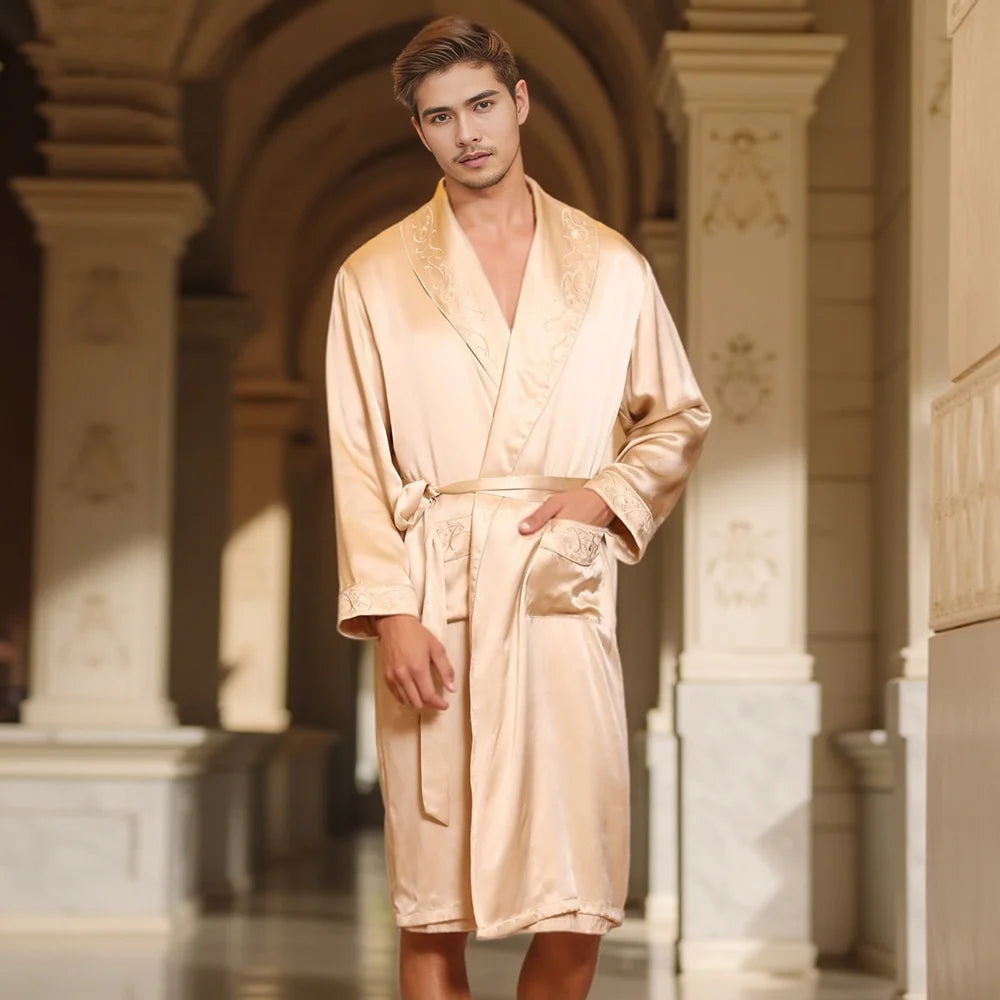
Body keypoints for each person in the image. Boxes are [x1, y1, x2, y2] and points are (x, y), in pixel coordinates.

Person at [325, 16, 710, 1000]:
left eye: (483, 105)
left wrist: (603, 496)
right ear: (419, 131)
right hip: (435, 600)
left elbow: (675, 414)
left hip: (556, 600)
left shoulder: (611, 266)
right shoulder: (373, 276)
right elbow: (358, 458)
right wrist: (391, 612)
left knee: (575, 900)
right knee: (432, 906)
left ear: (520, 101)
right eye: (439, 116)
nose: (467, 133)